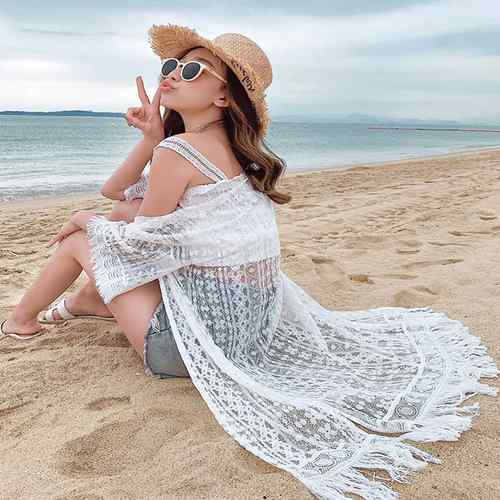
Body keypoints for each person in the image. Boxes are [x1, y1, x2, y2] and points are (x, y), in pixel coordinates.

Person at [1, 24, 497, 499]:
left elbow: (137, 242)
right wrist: (149, 141)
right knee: (115, 219)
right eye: (171, 66)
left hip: (187, 351)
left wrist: (86, 221)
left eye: (192, 70)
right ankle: (87, 302)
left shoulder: (180, 150)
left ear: (224, 96)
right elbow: (118, 196)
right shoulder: (230, 151)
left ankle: (20, 322)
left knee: (80, 236)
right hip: (252, 333)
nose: (172, 75)